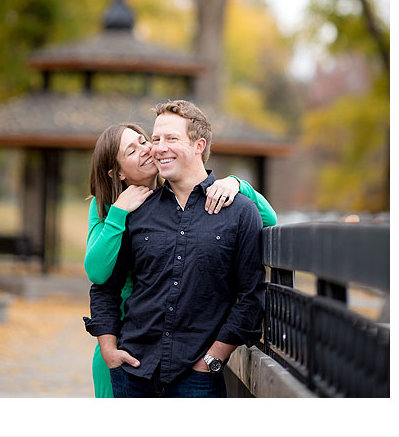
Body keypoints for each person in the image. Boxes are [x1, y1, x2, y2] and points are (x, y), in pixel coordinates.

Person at [85, 100, 265, 397]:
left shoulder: (239, 211)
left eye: (171, 138)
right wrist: (109, 350)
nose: (157, 148)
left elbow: (250, 296)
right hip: (132, 371)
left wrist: (213, 358)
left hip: (198, 376)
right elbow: (104, 286)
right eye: (155, 139)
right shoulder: (131, 210)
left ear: (198, 146)